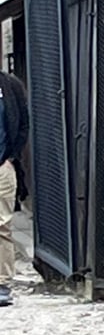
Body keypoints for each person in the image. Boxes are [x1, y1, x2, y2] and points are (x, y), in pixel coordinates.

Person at [0, 70, 29, 307]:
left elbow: (23, 124)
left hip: (2, 166)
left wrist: (11, 156)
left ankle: (1, 283)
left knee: (1, 225)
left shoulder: (9, 85)